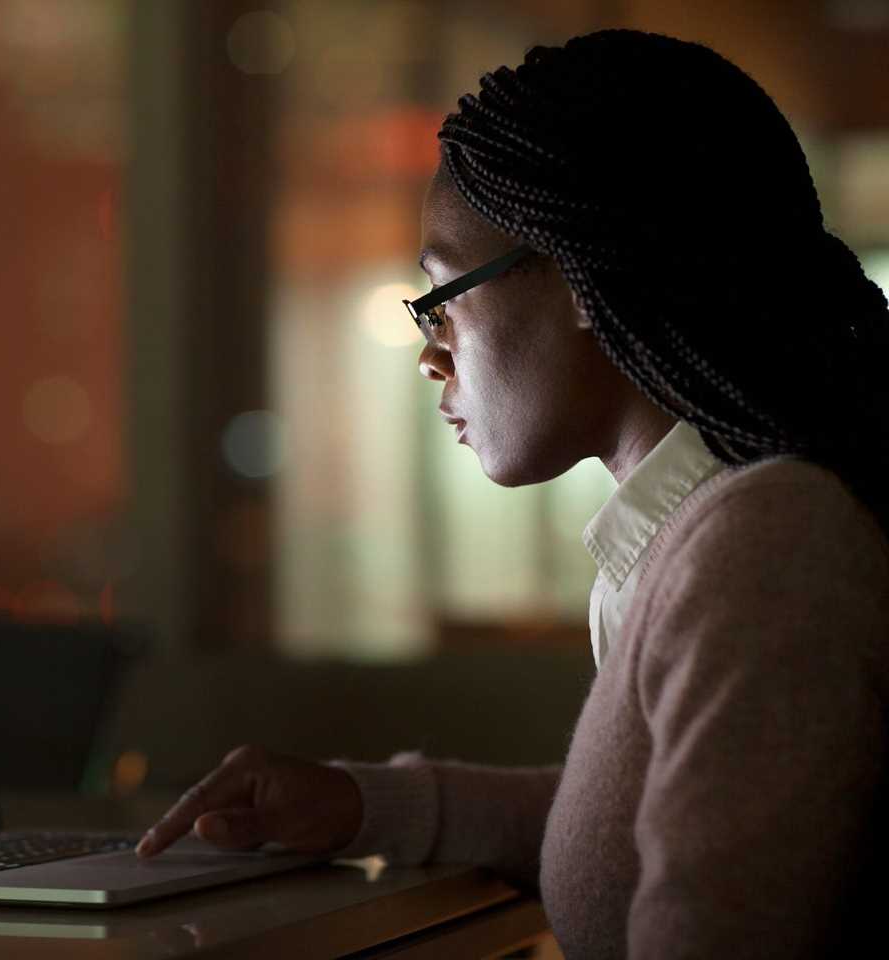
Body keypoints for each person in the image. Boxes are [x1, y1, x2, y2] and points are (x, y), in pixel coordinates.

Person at [134, 29, 889, 958]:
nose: (429, 353)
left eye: (443, 296)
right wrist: (368, 804)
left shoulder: (768, 546)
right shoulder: (699, 535)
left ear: (579, 274)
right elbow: (655, 825)